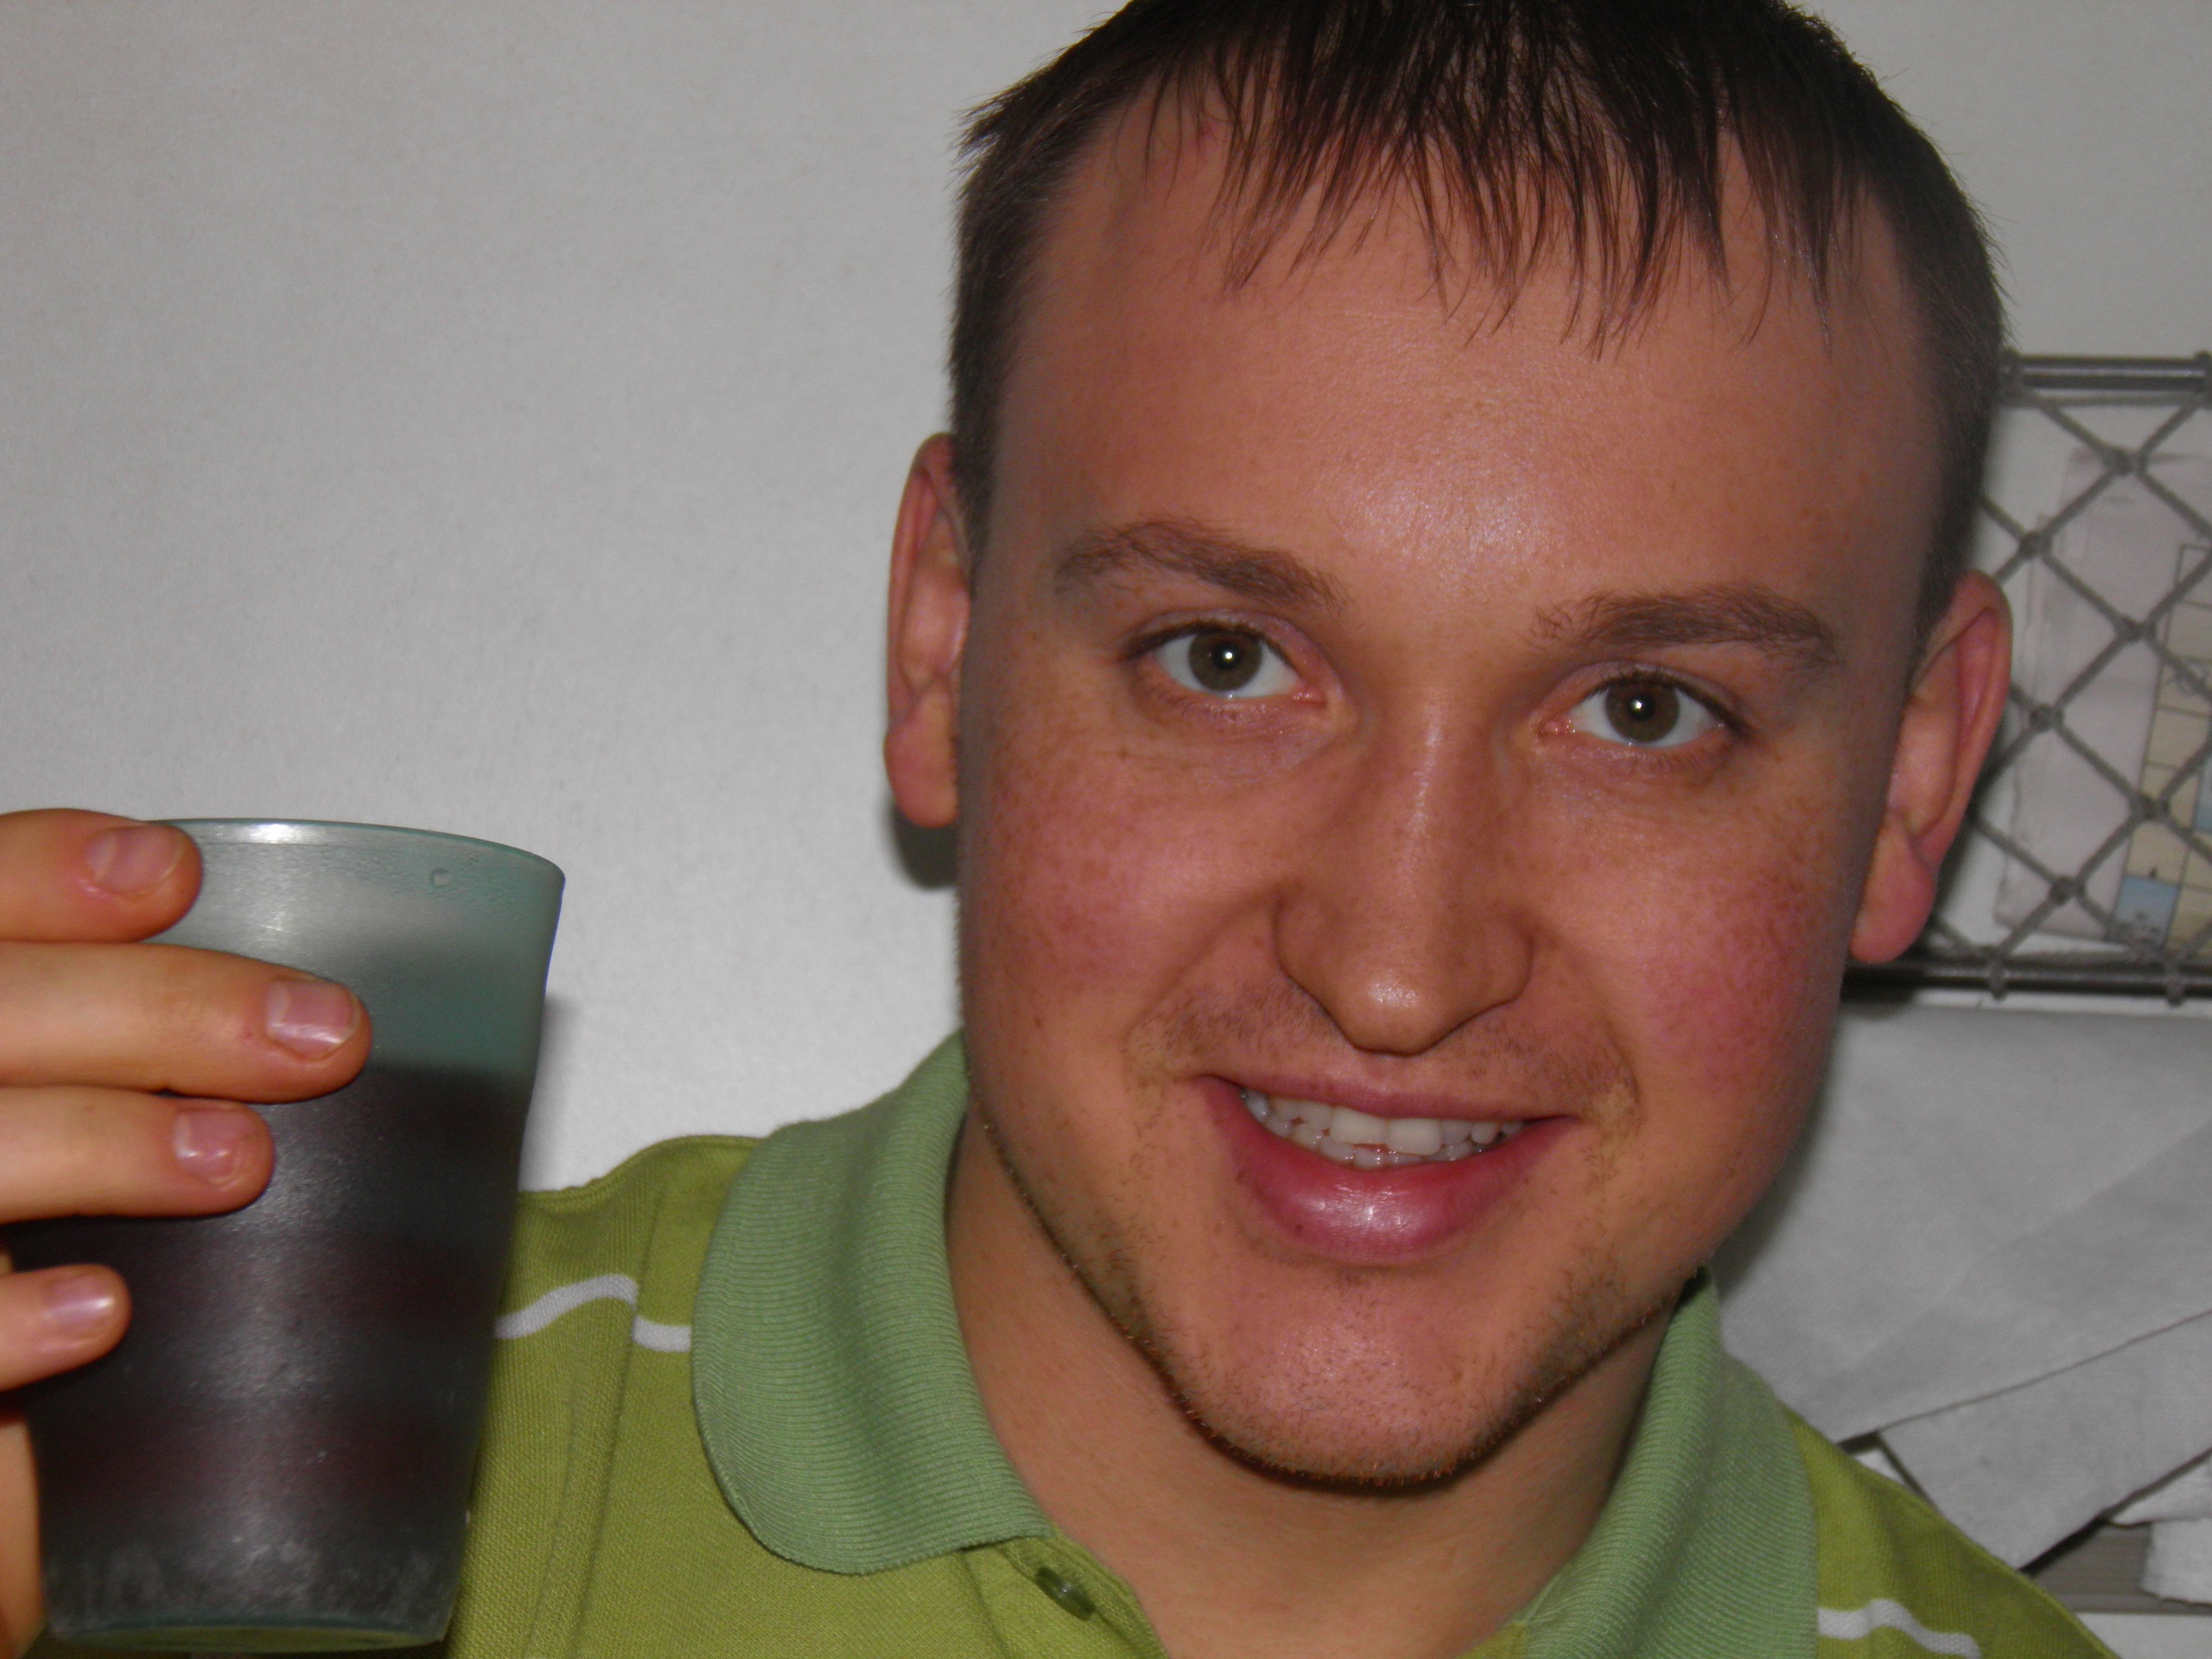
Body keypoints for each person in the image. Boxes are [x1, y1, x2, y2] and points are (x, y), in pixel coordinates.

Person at [0, 1, 2116, 1654]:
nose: (1394, 970)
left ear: (1910, 780)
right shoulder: (163, 1514)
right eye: (1223, 659)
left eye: (1643, 711)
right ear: (943, 646)